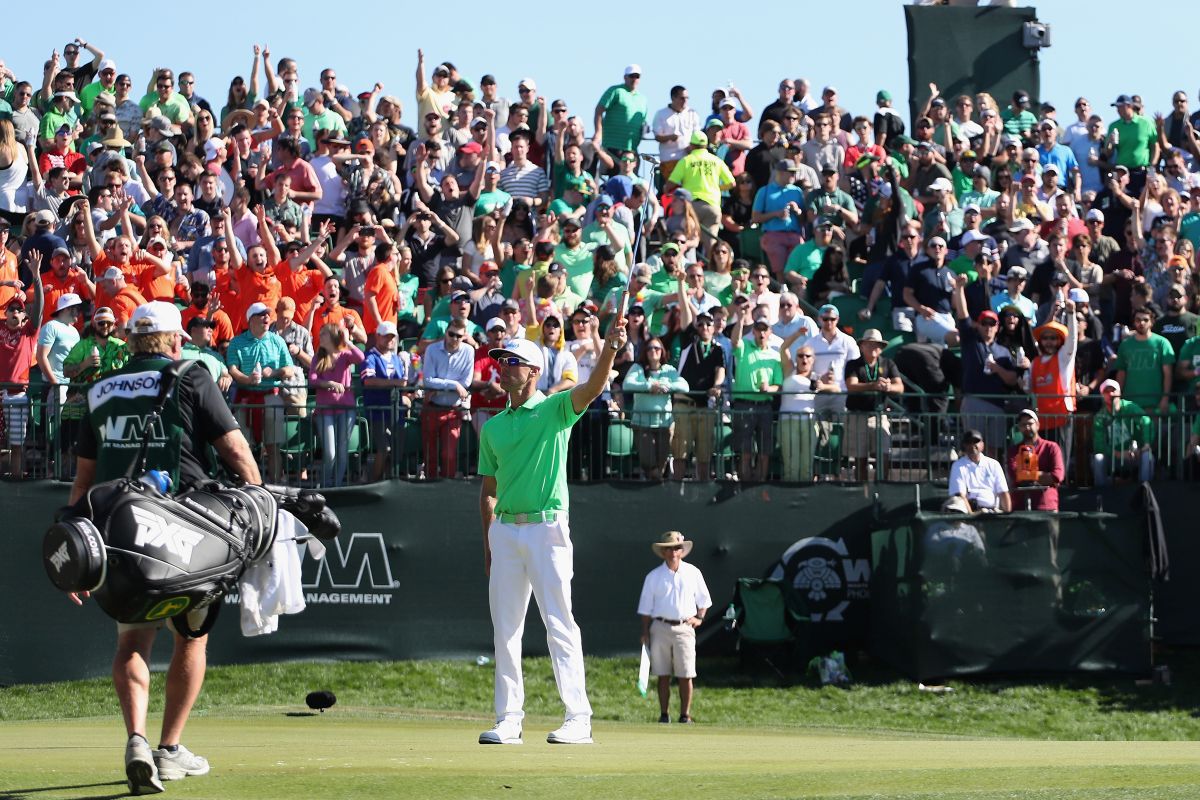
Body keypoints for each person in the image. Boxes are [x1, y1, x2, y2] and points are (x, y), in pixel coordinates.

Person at [67, 301, 260, 795]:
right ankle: (170, 750)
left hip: (118, 536)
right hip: (187, 533)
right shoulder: (191, 375)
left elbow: (82, 482)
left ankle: (135, 739)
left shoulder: (99, 390)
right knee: (190, 638)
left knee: (131, 643)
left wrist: (73, 555)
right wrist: (259, 501)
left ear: (130, 341)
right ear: (176, 341)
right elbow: (236, 451)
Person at [477, 305, 628, 747]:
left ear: (533, 371)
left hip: (547, 530)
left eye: (511, 362)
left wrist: (611, 349)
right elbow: (488, 491)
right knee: (505, 632)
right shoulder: (494, 427)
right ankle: (508, 720)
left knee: (559, 624)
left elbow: (594, 386)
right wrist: (488, 542)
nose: (501, 368)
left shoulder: (556, 409)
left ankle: (578, 718)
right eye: (499, 361)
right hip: (504, 533)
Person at [637, 530, 711, 725]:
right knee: (662, 674)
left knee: (686, 674)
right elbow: (645, 607)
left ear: (681, 551)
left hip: (684, 628)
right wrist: (645, 632)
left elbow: (704, 600)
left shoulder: (693, 572)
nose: (672, 552)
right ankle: (664, 714)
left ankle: (685, 715)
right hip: (660, 627)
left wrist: (700, 618)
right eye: (668, 549)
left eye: (676, 548)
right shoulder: (653, 576)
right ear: (663, 552)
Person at [224, 301, 296, 482]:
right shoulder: (237, 342)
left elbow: (289, 369)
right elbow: (232, 369)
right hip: (245, 398)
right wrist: (247, 379)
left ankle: (276, 487)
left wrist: (275, 372)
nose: (266, 318)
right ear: (251, 320)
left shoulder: (277, 341)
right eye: (261, 314)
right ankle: (250, 486)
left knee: (273, 448)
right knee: (244, 448)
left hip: (271, 397)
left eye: (267, 314)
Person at [0, 253, 44, 479]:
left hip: (17, 394)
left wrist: (36, 276)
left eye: (19, 309)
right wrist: (5, 283)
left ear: (25, 315)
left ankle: (16, 477)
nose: (15, 312)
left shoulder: (30, 332)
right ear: (5, 313)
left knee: (17, 443)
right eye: (11, 309)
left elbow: (39, 307)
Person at [624, 336, 688, 481]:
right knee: (649, 463)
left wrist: (666, 387)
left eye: (657, 348)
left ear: (662, 351)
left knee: (660, 464)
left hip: (664, 424)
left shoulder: (668, 370)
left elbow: (684, 386)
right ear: (645, 352)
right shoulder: (638, 368)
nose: (653, 351)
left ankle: (654, 494)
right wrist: (649, 387)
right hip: (642, 424)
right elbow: (627, 385)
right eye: (650, 348)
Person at [309, 322, 365, 487]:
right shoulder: (318, 357)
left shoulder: (344, 355)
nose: (321, 336)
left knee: (342, 450)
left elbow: (360, 358)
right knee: (330, 452)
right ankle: (325, 485)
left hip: (345, 409)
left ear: (333, 336)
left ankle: (337, 485)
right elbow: (312, 381)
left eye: (324, 333)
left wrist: (347, 341)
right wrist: (329, 384)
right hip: (325, 410)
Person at [844, 329, 903, 481]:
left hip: (879, 415)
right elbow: (851, 385)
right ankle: (861, 493)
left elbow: (900, 387)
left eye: (876, 345)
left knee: (883, 455)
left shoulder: (888, 363)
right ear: (862, 346)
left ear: (881, 348)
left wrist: (888, 387)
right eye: (869, 345)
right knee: (860, 459)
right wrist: (873, 386)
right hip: (858, 416)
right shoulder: (854, 364)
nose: (873, 348)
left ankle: (881, 490)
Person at [421, 318, 473, 479]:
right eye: (451, 334)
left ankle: (447, 491)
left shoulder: (469, 351)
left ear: (464, 336)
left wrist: (441, 388)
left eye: (459, 336)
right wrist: (454, 386)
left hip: (453, 410)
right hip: (432, 407)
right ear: (446, 333)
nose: (454, 339)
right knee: (430, 455)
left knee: (449, 455)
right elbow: (427, 380)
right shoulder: (431, 349)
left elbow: (466, 383)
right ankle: (429, 492)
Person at [362, 321, 411, 482]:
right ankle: (374, 482)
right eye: (386, 337)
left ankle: (391, 478)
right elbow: (368, 381)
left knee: (398, 447)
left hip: (396, 410)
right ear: (378, 336)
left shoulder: (396, 358)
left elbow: (402, 383)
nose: (390, 340)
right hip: (378, 410)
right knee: (383, 448)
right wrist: (395, 383)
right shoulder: (370, 356)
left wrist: (408, 395)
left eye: (392, 337)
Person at [1092, 379, 1155, 486]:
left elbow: (1146, 421)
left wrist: (1146, 444)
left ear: (1120, 393)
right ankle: (1101, 492)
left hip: (1135, 455)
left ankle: (1144, 489)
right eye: (1107, 391)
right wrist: (1118, 454)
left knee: (1147, 456)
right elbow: (1099, 445)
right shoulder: (1099, 417)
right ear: (1102, 395)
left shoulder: (1130, 407)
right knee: (1098, 458)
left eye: (1113, 390)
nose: (1111, 394)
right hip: (1113, 458)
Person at [1007, 409, 1064, 511]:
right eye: (1023, 424)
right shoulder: (1013, 451)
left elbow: (1057, 476)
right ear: (1019, 428)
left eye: (1030, 423)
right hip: (1020, 507)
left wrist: (1028, 476)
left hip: (1046, 506)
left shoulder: (1051, 447)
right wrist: (1043, 477)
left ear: (1037, 425)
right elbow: (1014, 475)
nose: (1027, 427)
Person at [948, 429, 1012, 512]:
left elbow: (1003, 492)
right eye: (969, 442)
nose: (973, 445)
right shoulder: (958, 465)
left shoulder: (994, 464)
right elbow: (960, 495)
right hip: (968, 513)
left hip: (993, 513)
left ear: (982, 445)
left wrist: (1007, 516)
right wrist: (971, 517)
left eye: (976, 441)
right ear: (964, 445)